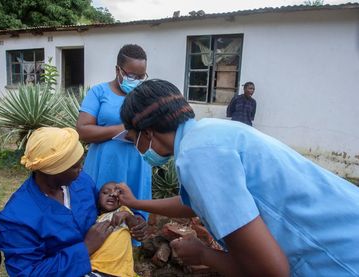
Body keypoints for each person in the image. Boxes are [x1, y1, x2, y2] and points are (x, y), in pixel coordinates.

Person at [116, 79, 359, 276]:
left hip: (341, 259)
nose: (136, 148)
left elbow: (271, 271)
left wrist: (204, 256)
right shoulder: (209, 134)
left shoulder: (197, 156)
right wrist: (136, 203)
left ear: (147, 132)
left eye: (132, 138)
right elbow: (190, 204)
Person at [0, 127, 147, 276]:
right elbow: (28, 272)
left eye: (80, 162)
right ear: (53, 171)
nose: (81, 169)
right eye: (74, 166)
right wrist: (85, 248)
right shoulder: (16, 220)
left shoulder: (82, 183)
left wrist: (134, 220)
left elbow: (103, 211)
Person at [76, 44, 152, 220]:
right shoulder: (99, 92)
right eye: (132, 75)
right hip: (104, 164)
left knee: (132, 216)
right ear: (118, 69)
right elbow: (83, 130)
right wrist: (124, 128)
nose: (137, 80)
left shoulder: (147, 96)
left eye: (141, 76)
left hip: (136, 165)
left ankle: (127, 246)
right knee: (97, 213)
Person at [90, 181, 142, 277]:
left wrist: (128, 216)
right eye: (105, 192)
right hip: (95, 267)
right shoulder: (95, 219)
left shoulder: (123, 210)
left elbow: (137, 229)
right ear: (97, 198)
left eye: (117, 193)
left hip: (120, 271)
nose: (112, 195)